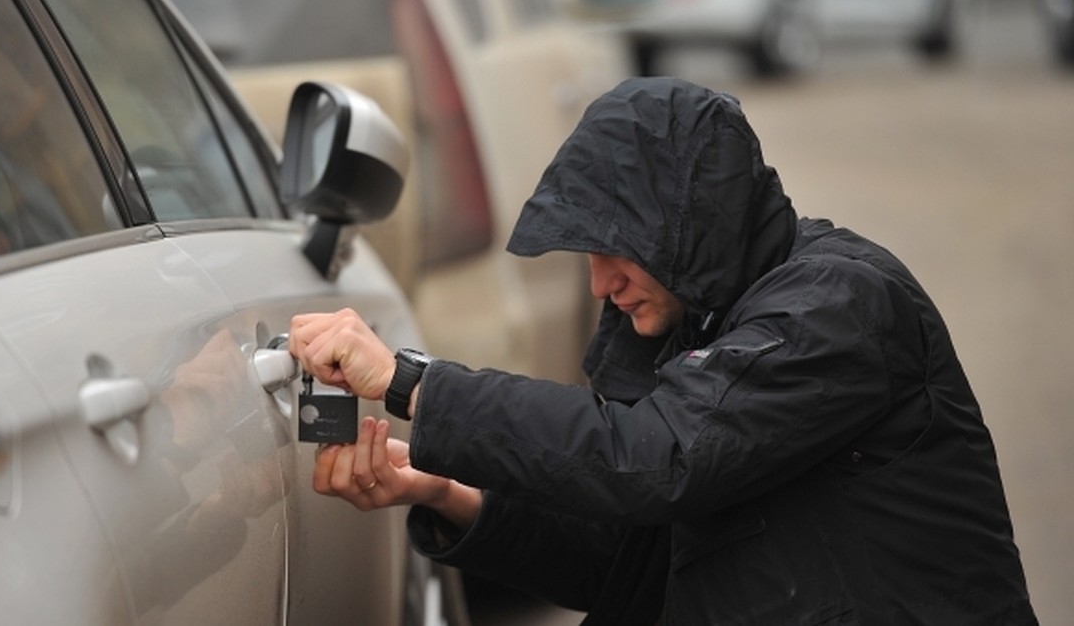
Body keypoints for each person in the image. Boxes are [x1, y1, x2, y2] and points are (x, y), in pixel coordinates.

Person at [287, 77, 1036, 624]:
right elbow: (632, 563)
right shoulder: (699, 320)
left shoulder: (838, 306)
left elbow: (654, 458)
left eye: (618, 250)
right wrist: (445, 489)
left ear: (690, 227)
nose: (598, 283)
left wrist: (413, 381)